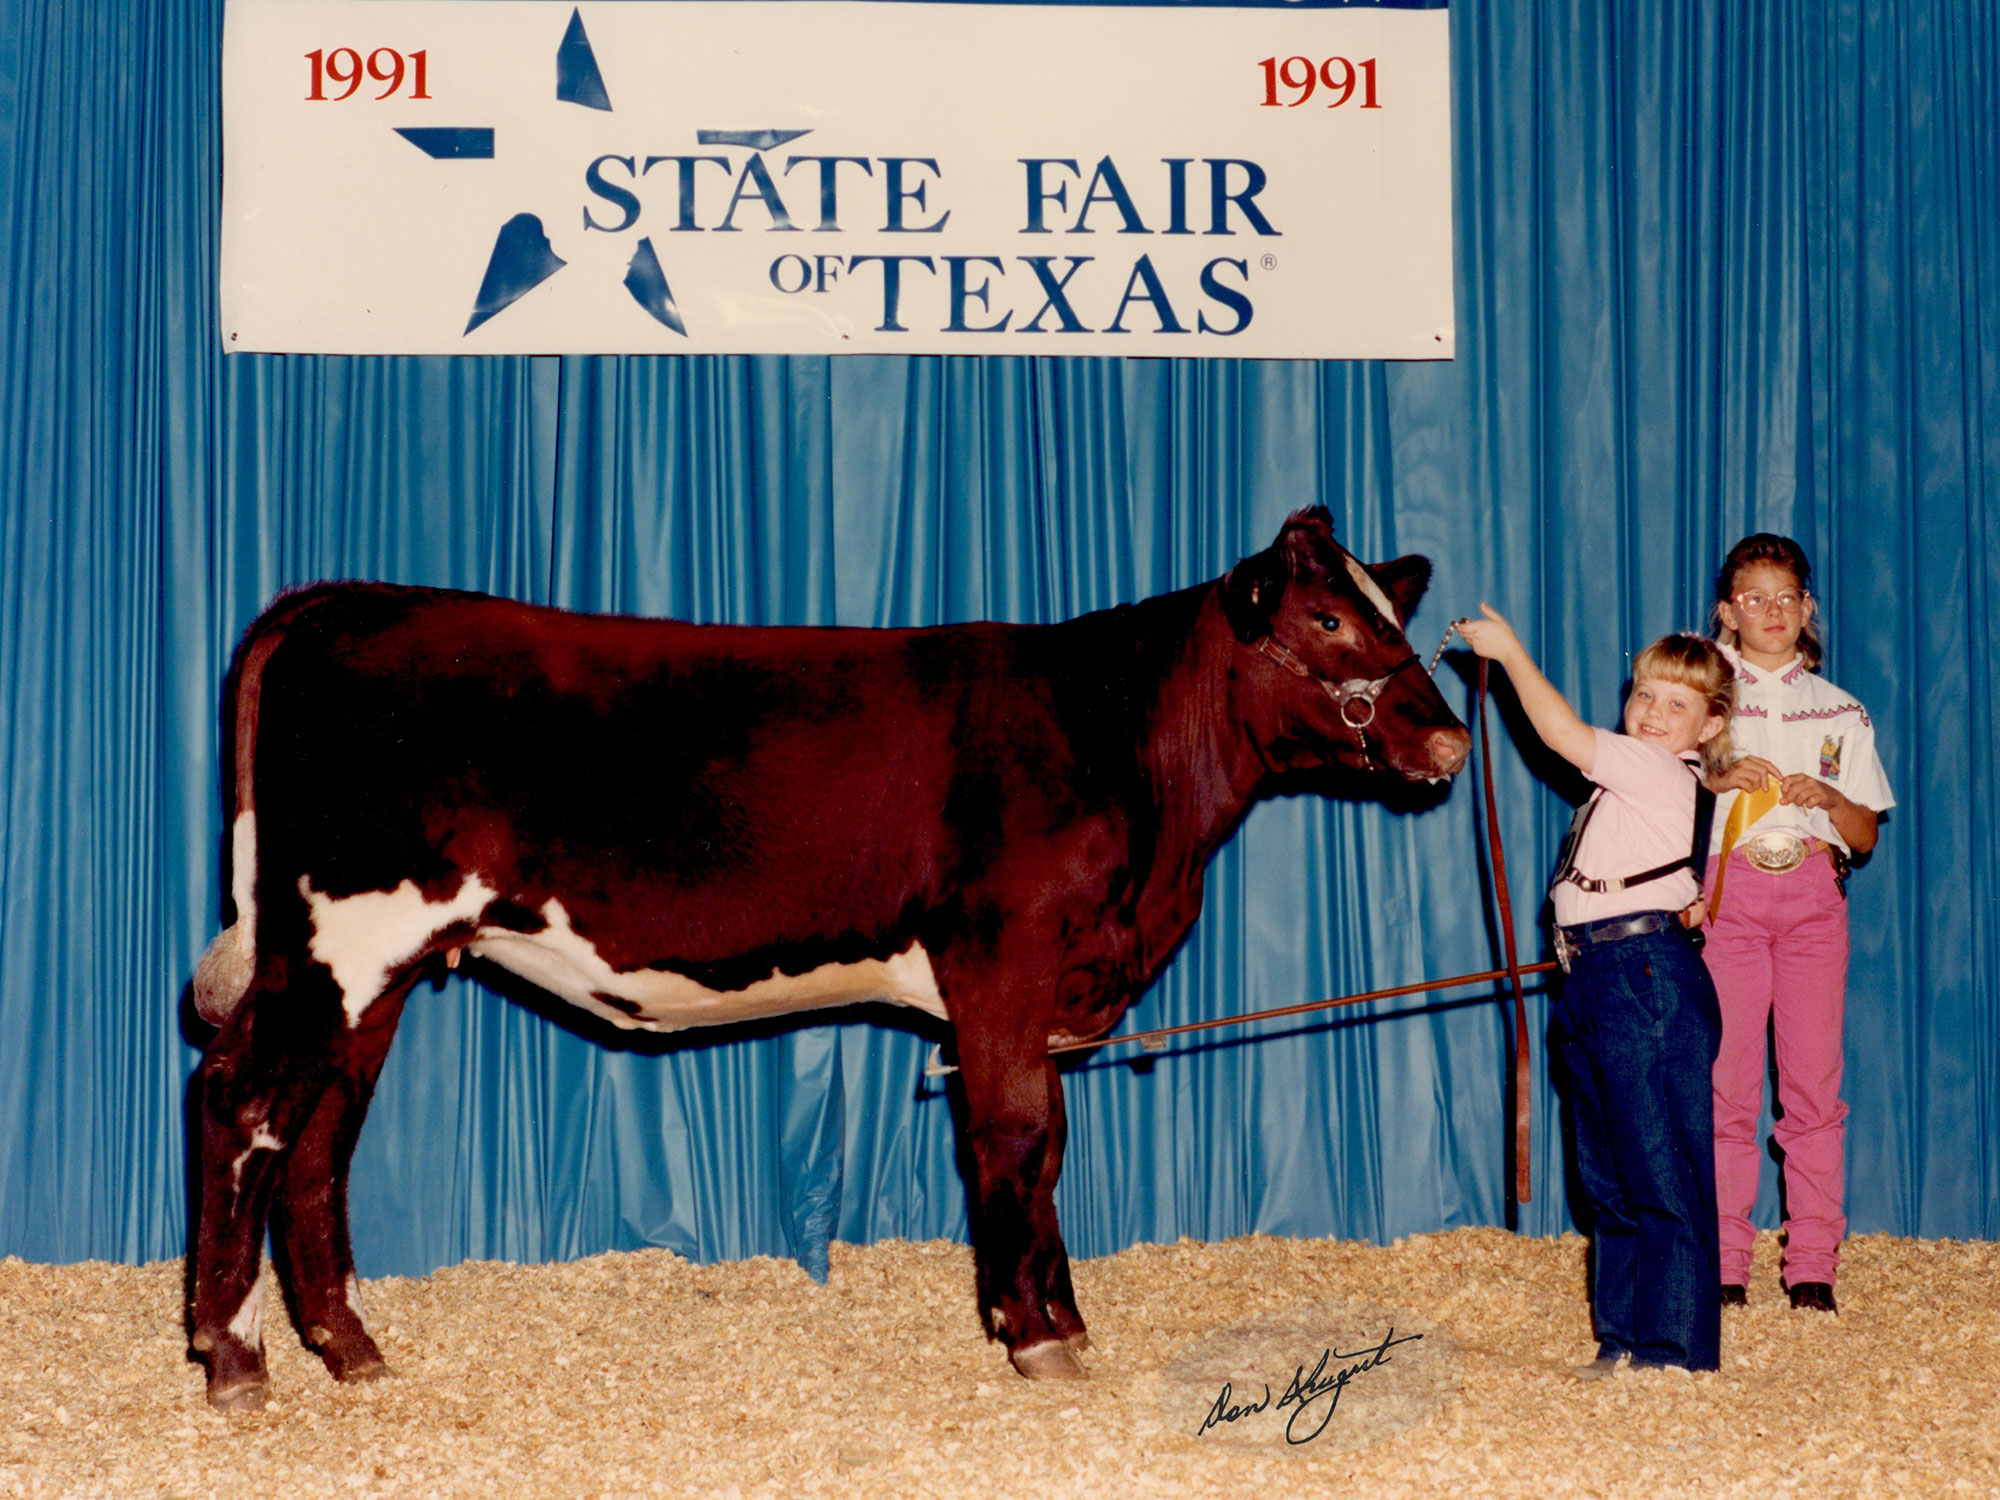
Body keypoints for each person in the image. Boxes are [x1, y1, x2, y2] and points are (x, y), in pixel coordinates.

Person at [1456, 606, 1731, 1375]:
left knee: (1657, 1168)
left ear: (1709, 728)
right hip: (1597, 976)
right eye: (1646, 694)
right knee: (1609, 1174)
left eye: (1679, 705)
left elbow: (1562, 736)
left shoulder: (1649, 768)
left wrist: (1510, 651)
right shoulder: (1627, 786)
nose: (1654, 714)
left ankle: (1673, 1353)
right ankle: (1623, 1338)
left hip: (1641, 978)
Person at [1702, 535, 1893, 1315]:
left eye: (1786, 598)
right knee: (1726, 1087)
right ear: (1728, 611)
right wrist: (1716, 777)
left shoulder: (1841, 708)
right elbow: (1662, 796)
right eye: (1755, 599)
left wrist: (1832, 801)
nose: (1772, 612)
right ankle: (1723, 1262)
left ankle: (1813, 1260)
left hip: (1814, 897)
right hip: (1729, 899)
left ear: (1806, 608)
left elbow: (1867, 836)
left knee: (1813, 1088)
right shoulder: (1701, 699)